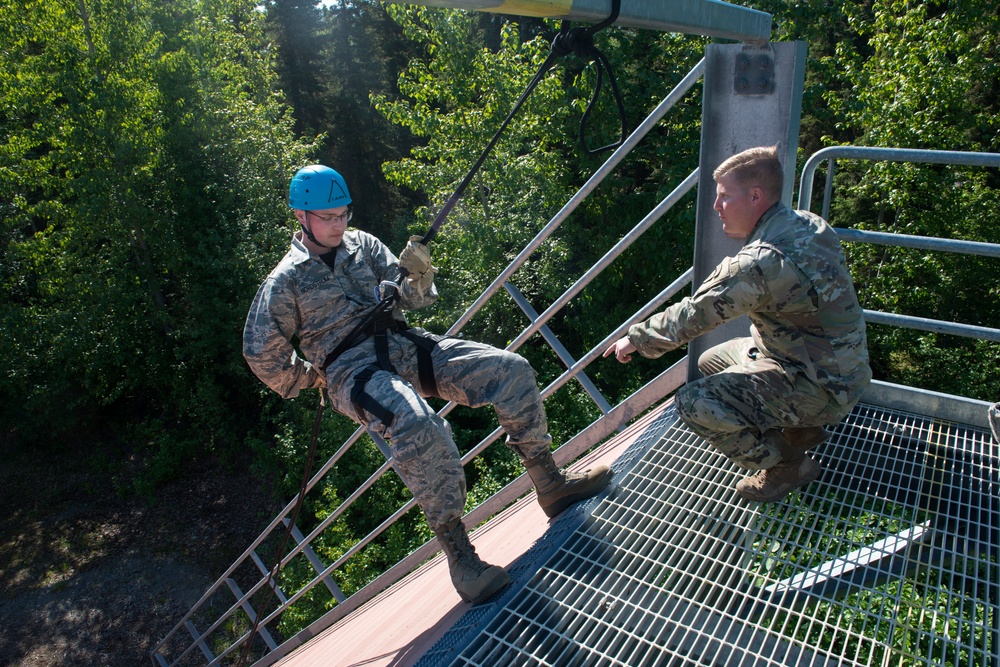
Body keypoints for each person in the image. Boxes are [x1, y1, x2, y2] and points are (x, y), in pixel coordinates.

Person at [244, 165, 612, 604]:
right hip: (353, 374)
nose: (339, 225)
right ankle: (460, 555)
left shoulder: (363, 245)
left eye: (344, 214)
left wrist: (419, 275)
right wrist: (308, 378)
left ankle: (550, 482)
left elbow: (415, 302)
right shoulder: (284, 282)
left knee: (509, 369)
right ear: (301, 217)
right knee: (419, 425)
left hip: (402, 345)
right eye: (328, 217)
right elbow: (260, 353)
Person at [603, 145, 871, 503]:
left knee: (694, 403)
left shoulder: (761, 262)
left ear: (755, 195)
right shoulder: (806, 223)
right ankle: (802, 429)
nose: (716, 207)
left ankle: (789, 466)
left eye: (725, 197)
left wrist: (635, 339)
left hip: (821, 385)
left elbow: (694, 315)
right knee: (710, 361)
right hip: (837, 368)